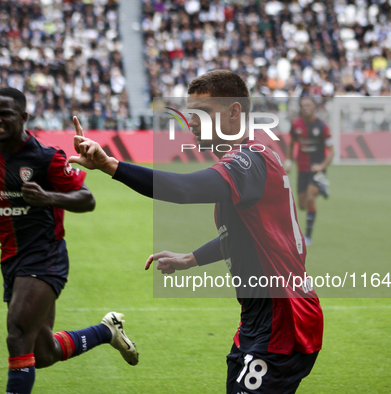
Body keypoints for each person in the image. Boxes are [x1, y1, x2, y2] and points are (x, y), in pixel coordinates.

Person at [69, 70, 323, 394]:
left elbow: (184, 189)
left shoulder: (249, 160)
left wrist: (111, 166)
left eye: (204, 113)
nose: (193, 123)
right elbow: (245, 236)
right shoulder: (253, 154)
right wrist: (191, 259)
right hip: (259, 318)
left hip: (284, 319)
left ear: (234, 112)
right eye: (191, 114)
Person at [0, 87, 138, 394]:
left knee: (17, 336)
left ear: (23, 117)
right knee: (43, 353)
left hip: (44, 255)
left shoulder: (46, 157)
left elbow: (87, 199)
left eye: (4, 114)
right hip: (10, 256)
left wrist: (48, 197)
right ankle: (106, 332)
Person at [284, 97, 334, 246]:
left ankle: (308, 237)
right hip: (302, 168)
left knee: (311, 199)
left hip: (316, 169)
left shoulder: (322, 126)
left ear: (314, 107)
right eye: (303, 105)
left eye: (309, 105)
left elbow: (331, 151)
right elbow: (291, 144)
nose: (306, 107)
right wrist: (288, 161)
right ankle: (323, 188)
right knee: (302, 205)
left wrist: (322, 166)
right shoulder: (296, 124)